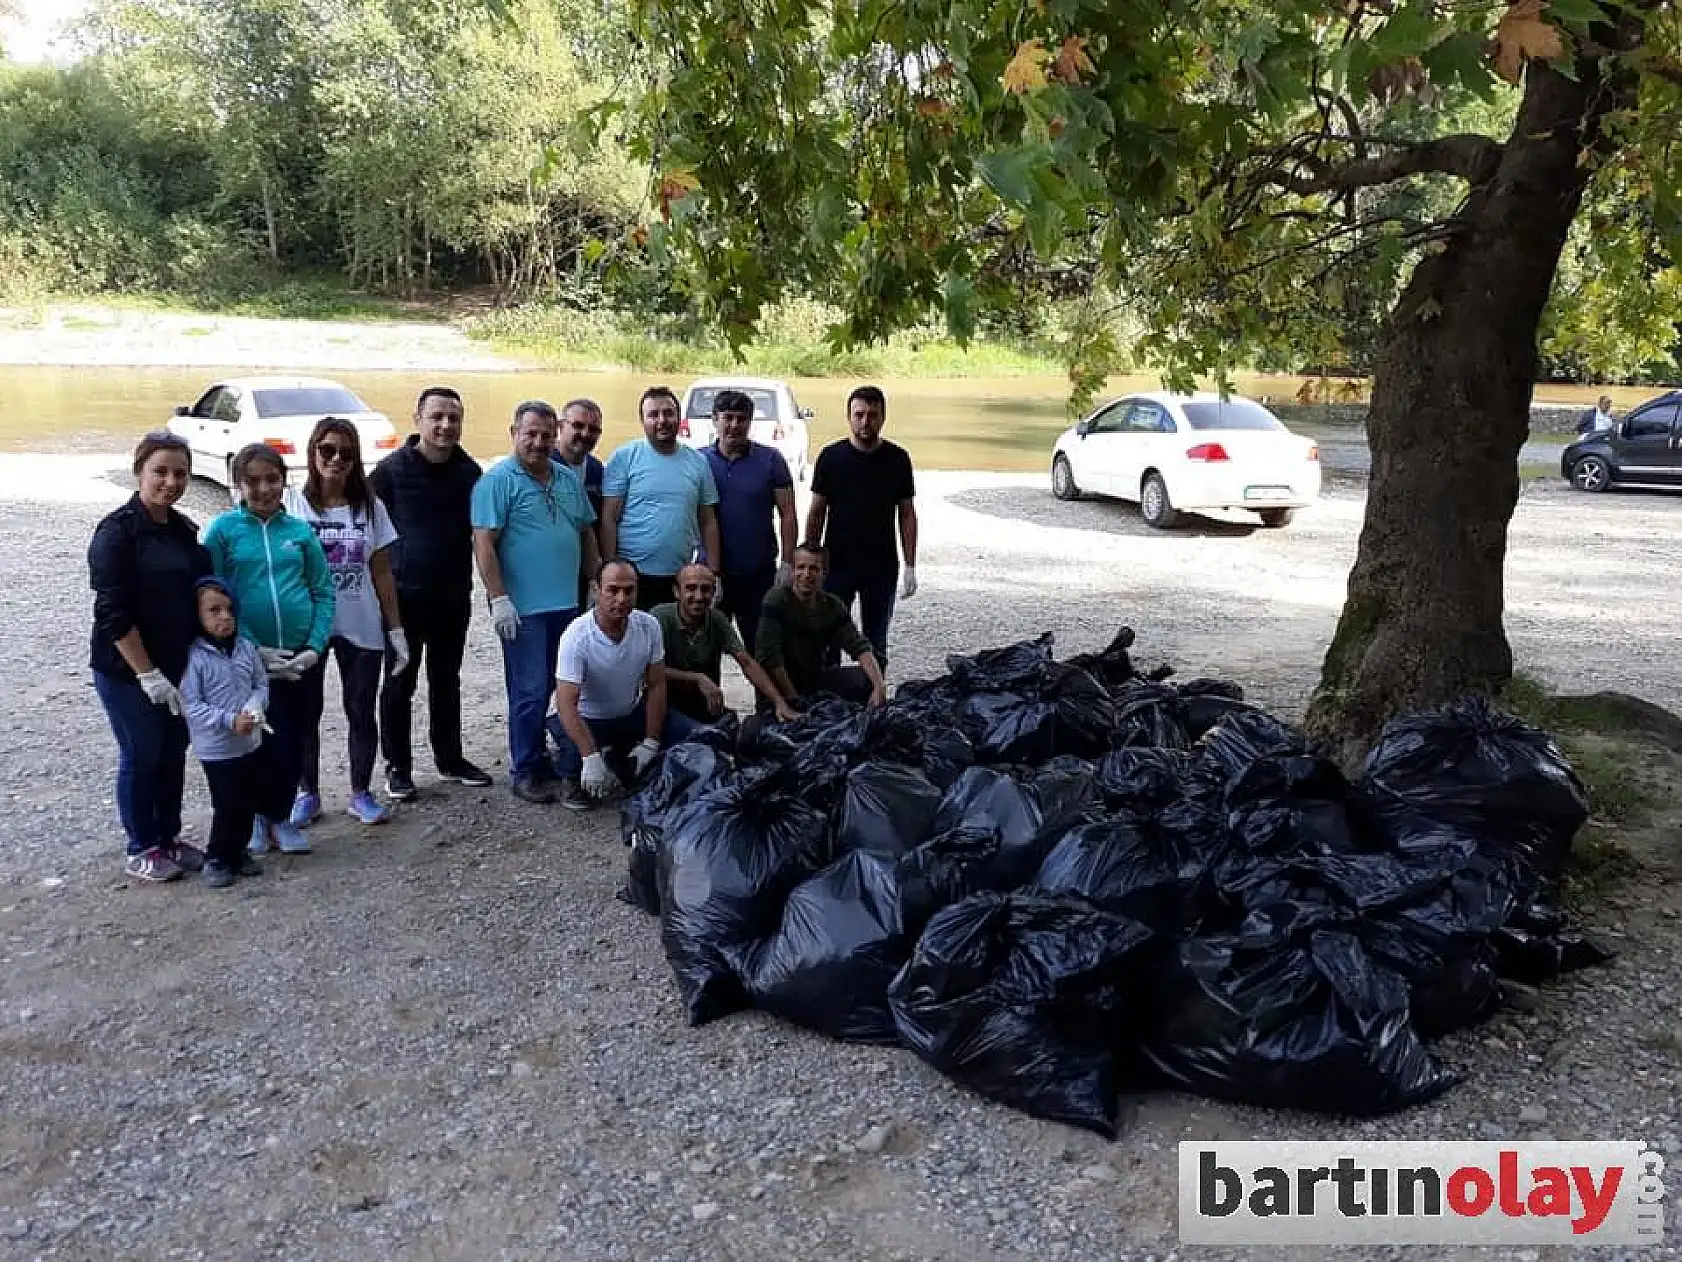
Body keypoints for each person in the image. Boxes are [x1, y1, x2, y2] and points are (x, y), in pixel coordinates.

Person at [88, 431, 213, 882]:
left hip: (179, 665)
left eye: (180, 473)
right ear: (139, 471)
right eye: (160, 471)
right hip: (128, 670)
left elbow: (201, 594)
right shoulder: (116, 534)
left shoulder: (183, 530)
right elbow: (112, 612)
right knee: (142, 753)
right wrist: (148, 674)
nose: (171, 482)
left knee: (173, 752)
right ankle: (141, 846)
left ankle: (168, 837)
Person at [202, 443, 335, 857]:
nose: (263, 489)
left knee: (297, 737)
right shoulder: (223, 531)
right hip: (249, 660)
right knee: (260, 739)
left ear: (284, 481)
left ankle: (281, 814)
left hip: (301, 658)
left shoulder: (300, 532)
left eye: (272, 479)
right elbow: (213, 595)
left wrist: (315, 646)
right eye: (253, 481)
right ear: (238, 485)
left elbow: (323, 591)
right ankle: (259, 817)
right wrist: (249, 648)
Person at [472, 400, 600, 804]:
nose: (539, 442)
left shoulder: (567, 479)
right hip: (524, 608)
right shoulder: (496, 482)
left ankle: (552, 756)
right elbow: (484, 544)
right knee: (528, 689)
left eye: (546, 435)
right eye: (530, 434)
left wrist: (596, 582)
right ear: (514, 433)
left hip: (567, 604)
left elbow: (586, 532)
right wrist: (499, 598)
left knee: (565, 685)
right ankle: (525, 768)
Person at [369, 385, 491, 800]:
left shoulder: (470, 473)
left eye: (453, 418)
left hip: (452, 596)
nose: (445, 425)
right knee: (399, 681)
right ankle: (397, 767)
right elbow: (365, 525)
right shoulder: (389, 472)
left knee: (446, 680)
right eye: (436, 416)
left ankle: (450, 759)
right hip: (403, 599)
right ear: (418, 419)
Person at [283, 417, 406, 828]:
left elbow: (382, 572)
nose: (336, 459)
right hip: (308, 625)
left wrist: (395, 629)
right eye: (327, 449)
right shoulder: (291, 504)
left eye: (346, 452)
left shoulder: (370, 507)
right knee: (306, 712)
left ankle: (360, 792)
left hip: (360, 621)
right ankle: (307, 792)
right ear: (313, 452)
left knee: (360, 708)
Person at [546, 558, 701, 811]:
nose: (621, 599)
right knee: (576, 759)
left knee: (691, 735)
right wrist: (589, 756)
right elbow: (566, 703)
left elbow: (657, 684)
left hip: (628, 712)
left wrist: (651, 741)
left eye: (629, 591)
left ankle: (620, 756)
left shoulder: (648, 626)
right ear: (596, 590)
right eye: (613, 590)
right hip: (585, 716)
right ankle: (573, 775)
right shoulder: (576, 636)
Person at [804, 384, 918, 664]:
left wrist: (910, 565)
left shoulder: (898, 459)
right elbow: (816, 512)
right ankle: (828, 690)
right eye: (859, 415)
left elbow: (907, 514)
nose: (865, 422)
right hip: (836, 564)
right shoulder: (831, 458)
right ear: (849, 417)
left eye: (872, 415)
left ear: (883, 417)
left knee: (875, 641)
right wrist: (809, 557)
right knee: (827, 637)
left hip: (881, 566)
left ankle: (874, 690)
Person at [179, 577, 278, 888]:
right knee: (227, 804)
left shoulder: (246, 649)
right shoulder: (194, 658)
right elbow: (190, 705)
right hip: (218, 748)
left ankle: (239, 850)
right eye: (214, 611)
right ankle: (218, 856)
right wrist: (228, 720)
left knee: (249, 799)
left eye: (229, 609)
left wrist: (255, 706)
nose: (224, 617)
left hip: (249, 742)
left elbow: (260, 684)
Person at [600, 385, 722, 611]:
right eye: (653, 415)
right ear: (642, 420)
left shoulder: (698, 462)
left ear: (679, 417)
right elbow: (609, 518)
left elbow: (708, 521)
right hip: (632, 576)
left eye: (668, 413)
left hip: (681, 576)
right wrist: (609, 571)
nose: (662, 421)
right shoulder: (624, 457)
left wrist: (713, 573)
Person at [704, 388, 796, 656]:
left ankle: (765, 688)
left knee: (762, 650)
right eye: (728, 417)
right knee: (706, 650)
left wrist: (788, 563)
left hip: (758, 573)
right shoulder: (699, 461)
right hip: (711, 574)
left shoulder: (771, 460)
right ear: (715, 419)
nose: (734, 425)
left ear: (750, 422)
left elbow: (788, 513)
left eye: (741, 418)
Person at [652, 562, 801, 725]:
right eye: (691, 588)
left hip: (704, 705)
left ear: (714, 592)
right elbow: (646, 670)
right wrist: (696, 678)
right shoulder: (660, 617)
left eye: (705, 589)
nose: (699, 597)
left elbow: (746, 662)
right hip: (664, 705)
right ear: (676, 591)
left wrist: (779, 702)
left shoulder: (717, 619)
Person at [755, 542, 887, 709]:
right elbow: (770, 657)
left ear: (824, 574)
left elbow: (859, 646)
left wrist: (879, 685)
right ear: (792, 571)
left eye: (814, 569)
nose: (806, 575)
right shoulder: (777, 599)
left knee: (872, 672)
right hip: (779, 687)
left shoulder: (831, 605)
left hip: (814, 680)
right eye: (801, 567)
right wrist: (792, 698)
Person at [555, 397, 606, 610]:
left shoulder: (597, 470)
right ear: (560, 426)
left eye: (593, 429)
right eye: (578, 425)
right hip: (550, 568)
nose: (585, 434)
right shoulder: (543, 464)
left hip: (585, 569)